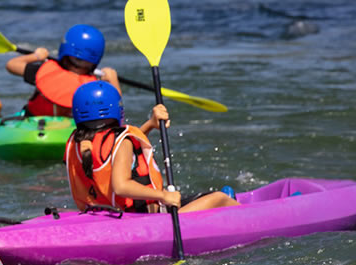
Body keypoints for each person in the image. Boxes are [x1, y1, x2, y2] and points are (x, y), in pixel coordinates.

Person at [64, 80, 239, 214]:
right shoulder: (119, 140)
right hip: (143, 219)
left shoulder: (77, 141)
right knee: (219, 198)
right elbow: (121, 186)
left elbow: (115, 154)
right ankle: (239, 211)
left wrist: (150, 124)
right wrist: (163, 196)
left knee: (201, 197)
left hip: (103, 215)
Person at [6, 24, 119, 117]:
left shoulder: (44, 70)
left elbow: (11, 65)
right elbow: (116, 108)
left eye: (82, 62)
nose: (78, 65)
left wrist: (35, 56)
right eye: (76, 60)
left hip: (45, 125)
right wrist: (113, 81)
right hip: (46, 125)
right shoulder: (94, 85)